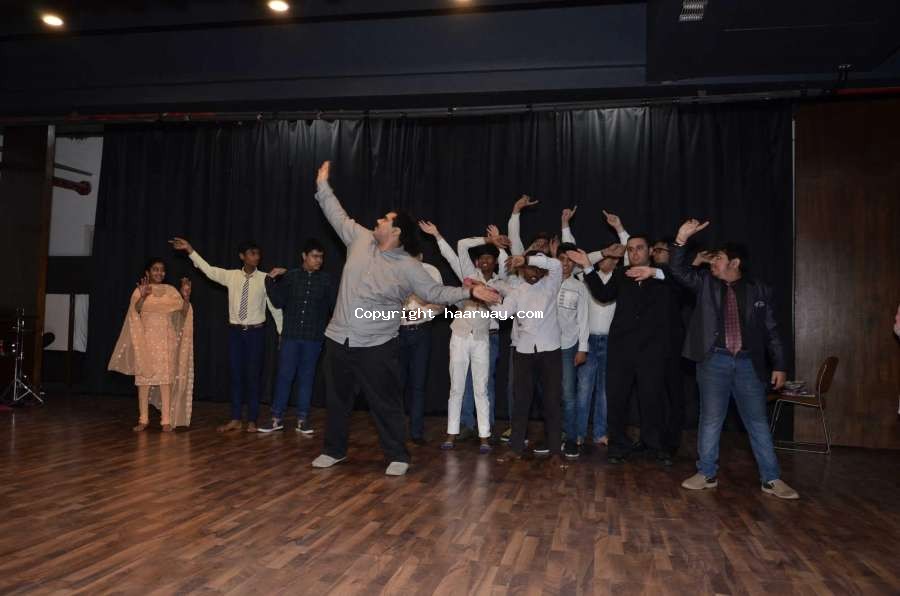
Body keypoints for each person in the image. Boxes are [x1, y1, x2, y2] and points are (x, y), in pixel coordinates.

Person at [310, 161, 501, 476]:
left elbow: (435, 292)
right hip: (338, 339)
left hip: (376, 345)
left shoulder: (409, 266)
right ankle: (333, 450)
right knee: (337, 401)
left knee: (385, 404)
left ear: (396, 231)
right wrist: (322, 185)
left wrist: (470, 292)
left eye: (385, 219)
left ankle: (397, 455)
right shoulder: (359, 239)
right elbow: (336, 214)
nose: (378, 220)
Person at [668, 218, 799, 499]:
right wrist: (681, 239)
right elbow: (677, 270)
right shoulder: (705, 283)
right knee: (710, 419)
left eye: (718, 258)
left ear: (735, 263)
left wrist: (780, 365)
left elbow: (772, 330)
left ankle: (771, 478)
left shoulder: (759, 290)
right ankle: (706, 473)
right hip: (713, 361)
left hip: (748, 365)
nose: (712, 263)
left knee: (757, 422)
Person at [568, 236, 674, 465]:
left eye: (640, 248)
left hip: (652, 350)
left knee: (652, 399)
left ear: (650, 251)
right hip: (621, 349)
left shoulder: (663, 274)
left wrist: (653, 272)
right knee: (617, 399)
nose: (634, 253)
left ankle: (654, 445)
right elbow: (603, 295)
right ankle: (618, 445)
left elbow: (676, 281)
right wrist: (587, 266)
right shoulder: (621, 274)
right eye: (631, 249)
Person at [169, 237, 283, 433]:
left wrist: (281, 331)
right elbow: (208, 270)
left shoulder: (265, 279)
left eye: (258, 254)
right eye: (252, 253)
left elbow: (275, 308)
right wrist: (190, 250)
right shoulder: (231, 276)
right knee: (236, 376)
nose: (256, 257)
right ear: (242, 256)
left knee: (253, 376)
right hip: (236, 333)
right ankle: (236, 418)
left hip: (255, 333)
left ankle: (252, 420)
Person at [561, 207, 630, 448]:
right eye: (607, 257)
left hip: (612, 341)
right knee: (583, 389)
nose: (611, 261)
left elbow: (631, 251)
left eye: (615, 258)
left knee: (604, 391)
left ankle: (600, 433)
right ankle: (579, 433)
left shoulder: (622, 279)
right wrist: (565, 225)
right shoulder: (584, 276)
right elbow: (572, 252)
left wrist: (619, 228)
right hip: (588, 341)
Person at [492, 250, 565, 467]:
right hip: (523, 352)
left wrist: (527, 259)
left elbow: (556, 265)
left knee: (552, 402)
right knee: (521, 402)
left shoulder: (552, 284)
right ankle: (516, 448)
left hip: (550, 351)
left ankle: (555, 451)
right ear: (522, 271)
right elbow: (502, 314)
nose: (532, 272)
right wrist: (489, 300)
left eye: (536, 268)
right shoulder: (517, 291)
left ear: (542, 269)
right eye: (528, 269)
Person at [258, 238, 336, 434]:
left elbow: (333, 307)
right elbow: (278, 302)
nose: (319, 260)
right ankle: (276, 418)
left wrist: (326, 330)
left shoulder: (326, 280)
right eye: (315, 256)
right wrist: (269, 281)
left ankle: (302, 420)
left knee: (306, 378)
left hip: (313, 338)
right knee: (284, 376)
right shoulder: (291, 277)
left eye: (321, 257)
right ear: (304, 256)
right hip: (291, 336)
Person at [108, 258, 194, 431]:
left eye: (162, 270)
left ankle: (166, 421)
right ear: (147, 272)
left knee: (166, 380)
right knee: (144, 381)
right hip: (146, 340)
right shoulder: (140, 290)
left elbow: (184, 313)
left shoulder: (171, 291)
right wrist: (143, 295)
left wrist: (186, 297)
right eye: (155, 269)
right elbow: (136, 310)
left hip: (166, 341)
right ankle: (143, 419)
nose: (159, 273)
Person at [398, 246, 444, 445]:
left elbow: (441, 303)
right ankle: (395, 431)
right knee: (396, 384)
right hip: (397, 332)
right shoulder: (395, 270)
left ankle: (416, 432)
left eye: (413, 258)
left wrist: (423, 311)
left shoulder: (431, 271)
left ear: (421, 255)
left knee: (418, 384)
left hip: (421, 331)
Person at [555, 241, 590, 459]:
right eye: (562, 259)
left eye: (570, 260)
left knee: (568, 394)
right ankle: (553, 435)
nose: (566, 264)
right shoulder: (544, 282)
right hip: (545, 347)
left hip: (568, 346)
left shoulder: (579, 287)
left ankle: (570, 437)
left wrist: (582, 348)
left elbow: (583, 319)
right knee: (549, 394)